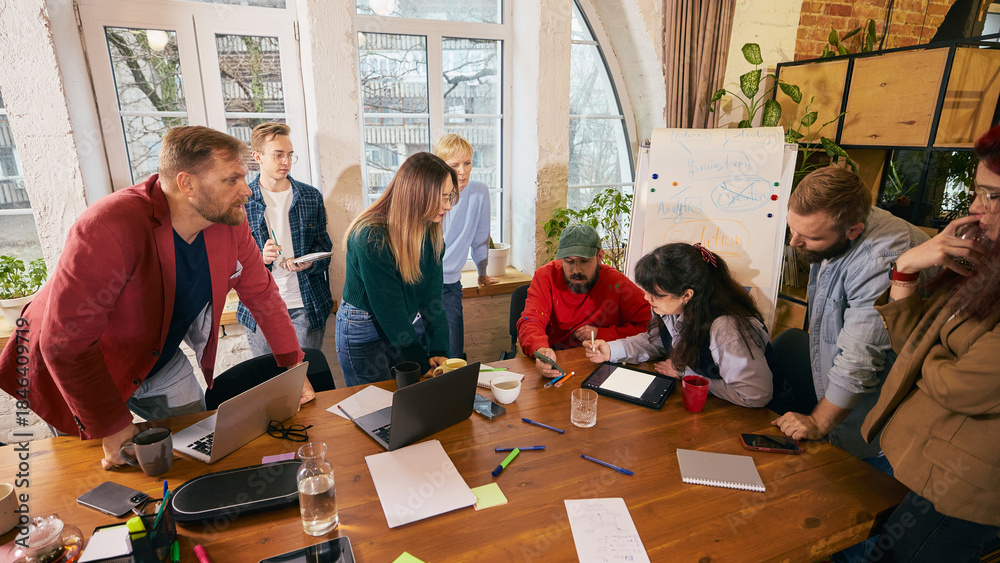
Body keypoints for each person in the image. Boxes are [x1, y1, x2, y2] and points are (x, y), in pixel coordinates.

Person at [0, 125, 306, 469]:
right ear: (186, 183)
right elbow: (64, 343)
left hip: (156, 356)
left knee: (199, 447)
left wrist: (293, 364)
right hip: (79, 365)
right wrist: (111, 425)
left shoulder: (229, 222)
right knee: (97, 468)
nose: (245, 191)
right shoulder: (109, 225)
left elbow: (262, 293)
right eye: (231, 180)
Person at [859, 125, 1000, 561]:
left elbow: (966, 387)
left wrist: (928, 356)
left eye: (993, 195)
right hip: (920, 453)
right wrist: (904, 271)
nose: (976, 209)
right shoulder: (986, 264)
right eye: (977, 192)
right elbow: (911, 343)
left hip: (965, 483)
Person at [770, 166, 930, 461]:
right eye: (794, 230)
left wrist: (818, 422)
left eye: (809, 237)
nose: (794, 243)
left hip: (888, 422)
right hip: (854, 402)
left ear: (853, 230)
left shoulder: (880, 260)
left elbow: (861, 360)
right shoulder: (838, 230)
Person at [586, 243, 773, 407]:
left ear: (686, 295)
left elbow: (754, 395)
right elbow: (656, 341)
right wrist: (611, 350)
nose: (646, 297)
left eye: (655, 294)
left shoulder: (726, 329)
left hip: (756, 417)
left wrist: (685, 374)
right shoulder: (672, 309)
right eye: (646, 290)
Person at [337, 152, 455, 386]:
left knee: (404, 402)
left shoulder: (431, 233)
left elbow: (433, 302)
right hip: (364, 327)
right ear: (417, 196)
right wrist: (422, 365)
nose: (449, 206)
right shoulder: (371, 236)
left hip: (401, 326)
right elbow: (391, 313)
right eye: (442, 198)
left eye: (450, 196)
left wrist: (439, 351)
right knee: (372, 407)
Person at [238, 123, 333, 356]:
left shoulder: (310, 196)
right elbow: (228, 264)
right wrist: (259, 259)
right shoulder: (241, 201)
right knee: (271, 385)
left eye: (289, 155)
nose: (286, 162)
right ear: (257, 157)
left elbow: (325, 249)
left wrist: (311, 263)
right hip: (260, 308)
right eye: (278, 155)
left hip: (306, 305)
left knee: (305, 380)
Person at [517, 224, 651, 377]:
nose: (576, 270)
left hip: (601, 363)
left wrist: (602, 333)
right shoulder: (545, 276)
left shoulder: (618, 284)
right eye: (569, 261)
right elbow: (531, 320)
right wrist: (541, 350)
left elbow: (649, 328)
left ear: (600, 256)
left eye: (584, 261)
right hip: (555, 360)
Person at [414, 134, 498, 358]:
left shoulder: (479, 192)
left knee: (452, 357)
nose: (463, 171)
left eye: (468, 163)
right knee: (419, 357)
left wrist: (482, 273)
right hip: (419, 286)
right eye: (455, 165)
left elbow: (481, 237)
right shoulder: (428, 194)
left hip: (449, 286)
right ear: (440, 166)